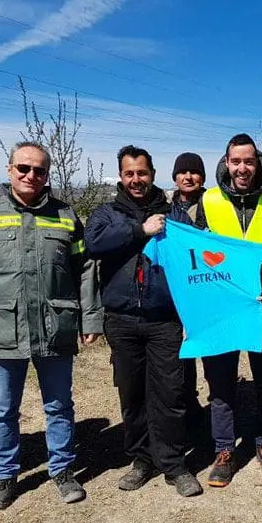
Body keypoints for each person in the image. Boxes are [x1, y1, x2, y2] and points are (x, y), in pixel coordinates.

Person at [0, 142, 103, 510]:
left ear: (47, 174)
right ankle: (3, 476)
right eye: (23, 168)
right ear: (9, 169)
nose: (30, 175)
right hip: (3, 329)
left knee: (59, 404)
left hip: (56, 327)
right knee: (3, 409)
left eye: (38, 170)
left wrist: (91, 317)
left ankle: (63, 471)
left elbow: (86, 272)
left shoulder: (65, 216)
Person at [84, 146, 202, 498]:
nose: (136, 180)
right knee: (132, 395)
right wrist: (140, 230)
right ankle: (141, 459)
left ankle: (174, 463)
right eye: (129, 174)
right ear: (121, 176)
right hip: (121, 319)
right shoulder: (106, 214)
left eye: (142, 173)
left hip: (164, 319)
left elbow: (198, 257)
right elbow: (93, 243)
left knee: (170, 393)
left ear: (153, 174)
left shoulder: (174, 215)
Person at [195, 133, 262, 487]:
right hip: (223, 305)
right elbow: (200, 253)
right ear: (227, 162)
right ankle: (224, 450)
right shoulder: (210, 199)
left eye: (249, 161)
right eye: (236, 161)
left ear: (258, 163)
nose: (242, 168)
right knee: (220, 382)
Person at [168, 152, 207, 428]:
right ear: (175, 177)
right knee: (180, 351)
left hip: (205, 288)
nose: (188, 177)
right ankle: (188, 403)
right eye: (183, 172)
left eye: (194, 172)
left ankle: (219, 404)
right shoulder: (164, 207)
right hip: (173, 289)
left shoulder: (213, 205)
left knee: (208, 347)